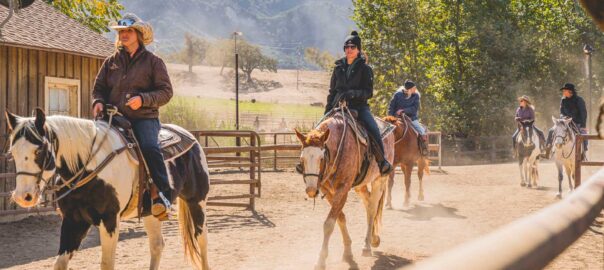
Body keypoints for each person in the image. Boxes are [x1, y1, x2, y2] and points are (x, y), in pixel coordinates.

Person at [91, 13, 174, 216]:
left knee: (149, 147)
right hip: (113, 117)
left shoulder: (154, 62)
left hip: (144, 119)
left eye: (128, 31)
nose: (124, 35)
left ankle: (162, 196)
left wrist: (143, 100)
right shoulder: (111, 62)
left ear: (138, 34)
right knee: (90, 145)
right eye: (121, 32)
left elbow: (166, 92)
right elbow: (98, 88)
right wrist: (98, 102)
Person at [324, 31, 392, 175]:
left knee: (373, 129)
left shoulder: (366, 69)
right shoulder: (337, 68)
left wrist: (353, 93)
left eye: (352, 47)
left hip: (359, 108)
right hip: (338, 107)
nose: (349, 49)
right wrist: (326, 112)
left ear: (358, 49)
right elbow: (332, 92)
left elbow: (369, 92)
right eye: (346, 47)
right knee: (318, 131)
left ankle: (382, 162)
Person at [545, 83, 588, 158]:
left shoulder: (579, 100)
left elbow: (583, 113)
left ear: (570, 91)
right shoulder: (563, 100)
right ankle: (548, 150)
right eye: (563, 91)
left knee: (583, 135)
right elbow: (561, 112)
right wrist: (563, 118)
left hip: (576, 122)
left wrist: (583, 126)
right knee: (551, 130)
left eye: (565, 90)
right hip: (564, 121)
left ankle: (583, 153)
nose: (563, 92)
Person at [387, 80, 428, 155]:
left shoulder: (416, 96)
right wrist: (391, 117)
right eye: (414, 88)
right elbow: (391, 107)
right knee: (385, 132)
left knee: (422, 131)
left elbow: (414, 108)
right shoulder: (397, 95)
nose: (415, 89)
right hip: (396, 118)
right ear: (409, 89)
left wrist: (403, 110)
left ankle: (423, 149)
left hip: (411, 118)